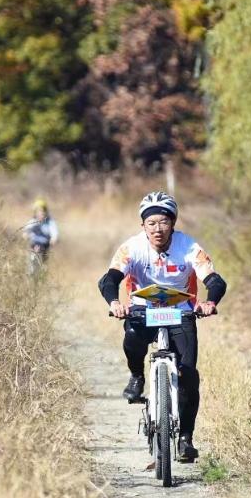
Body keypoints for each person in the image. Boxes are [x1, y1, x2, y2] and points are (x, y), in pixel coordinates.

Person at [97, 192, 227, 460]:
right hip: (143, 310)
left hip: (180, 312)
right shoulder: (131, 248)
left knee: (189, 375)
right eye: (151, 223)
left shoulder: (189, 247)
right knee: (132, 336)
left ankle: (185, 439)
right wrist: (114, 302)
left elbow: (215, 281)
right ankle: (137, 375)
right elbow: (108, 280)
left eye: (164, 222)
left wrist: (209, 302)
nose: (158, 229)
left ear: (173, 223)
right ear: (143, 226)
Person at [22, 198, 59, 268]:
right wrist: (25, 235)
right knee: (32, 265)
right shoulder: (32, 222)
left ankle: (42, 273)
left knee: (44, 267)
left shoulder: (50, 223)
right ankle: (31, 275)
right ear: (35, 212)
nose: (41, 213)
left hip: (45, 247)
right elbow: (26, 231)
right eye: (38, 211)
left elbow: (54, 233)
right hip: (33, 247)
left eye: (43, 211)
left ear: (46, 212)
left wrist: (54, 239)